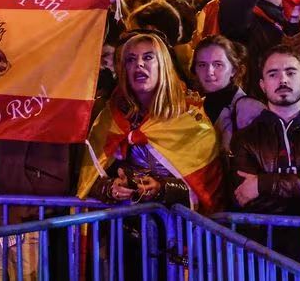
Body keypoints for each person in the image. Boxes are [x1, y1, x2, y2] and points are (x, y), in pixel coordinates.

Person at [80, 32, 222, 211]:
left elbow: (207, 192)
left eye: (148, 57)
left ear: (163, 65)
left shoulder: (191, 120)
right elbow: (88, 180)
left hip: (177, 232)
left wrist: (162, 188)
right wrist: (110, 188)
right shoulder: (110, 117)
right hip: (123, 230)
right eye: (131, 60)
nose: (139, 64)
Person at [229, 46, 300, 273]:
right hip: (263, 254)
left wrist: (263, 184)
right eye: (273, 74)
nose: (283, 79)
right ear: (262, 85)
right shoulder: (245, 139)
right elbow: (246, 198)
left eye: (290, 72)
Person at [191, 35, 263, 149]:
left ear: (233, 70)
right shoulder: (193, 106)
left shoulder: (248, 110)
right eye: (202, 65)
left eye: (218, 65)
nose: (209, 72)